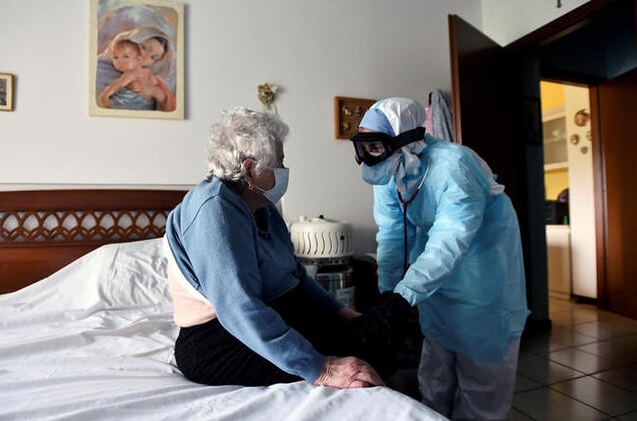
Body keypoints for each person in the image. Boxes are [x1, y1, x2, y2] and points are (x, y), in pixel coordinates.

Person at [164, 107, 390, 389]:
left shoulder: (261, 206)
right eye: (279, 163)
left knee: (372, 334)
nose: (284, 171)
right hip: (216, 337)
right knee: (351, 354)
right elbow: (238, 307)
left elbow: (293, 274)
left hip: (272, 310)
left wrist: (341, 313)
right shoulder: (213, 209)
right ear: (249, 169)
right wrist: (323, 369)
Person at [350, 98, 530, 420]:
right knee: (434, 381)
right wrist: (389, 292)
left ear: (405, 140)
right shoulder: (392, 170)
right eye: (363, 146)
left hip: (482, 286)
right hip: (436, 286)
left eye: (374, 146)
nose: (368, 157)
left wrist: (403, 298)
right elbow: (392, 233)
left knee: (480, 396)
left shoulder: (454, 166)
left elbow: (450, 241)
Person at [96, 27, 176, 111]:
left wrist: (155, 92)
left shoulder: (148, 75)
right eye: (145, 48)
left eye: (153, 57)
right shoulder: (102, 66)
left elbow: (172, 107)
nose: (145, 56)